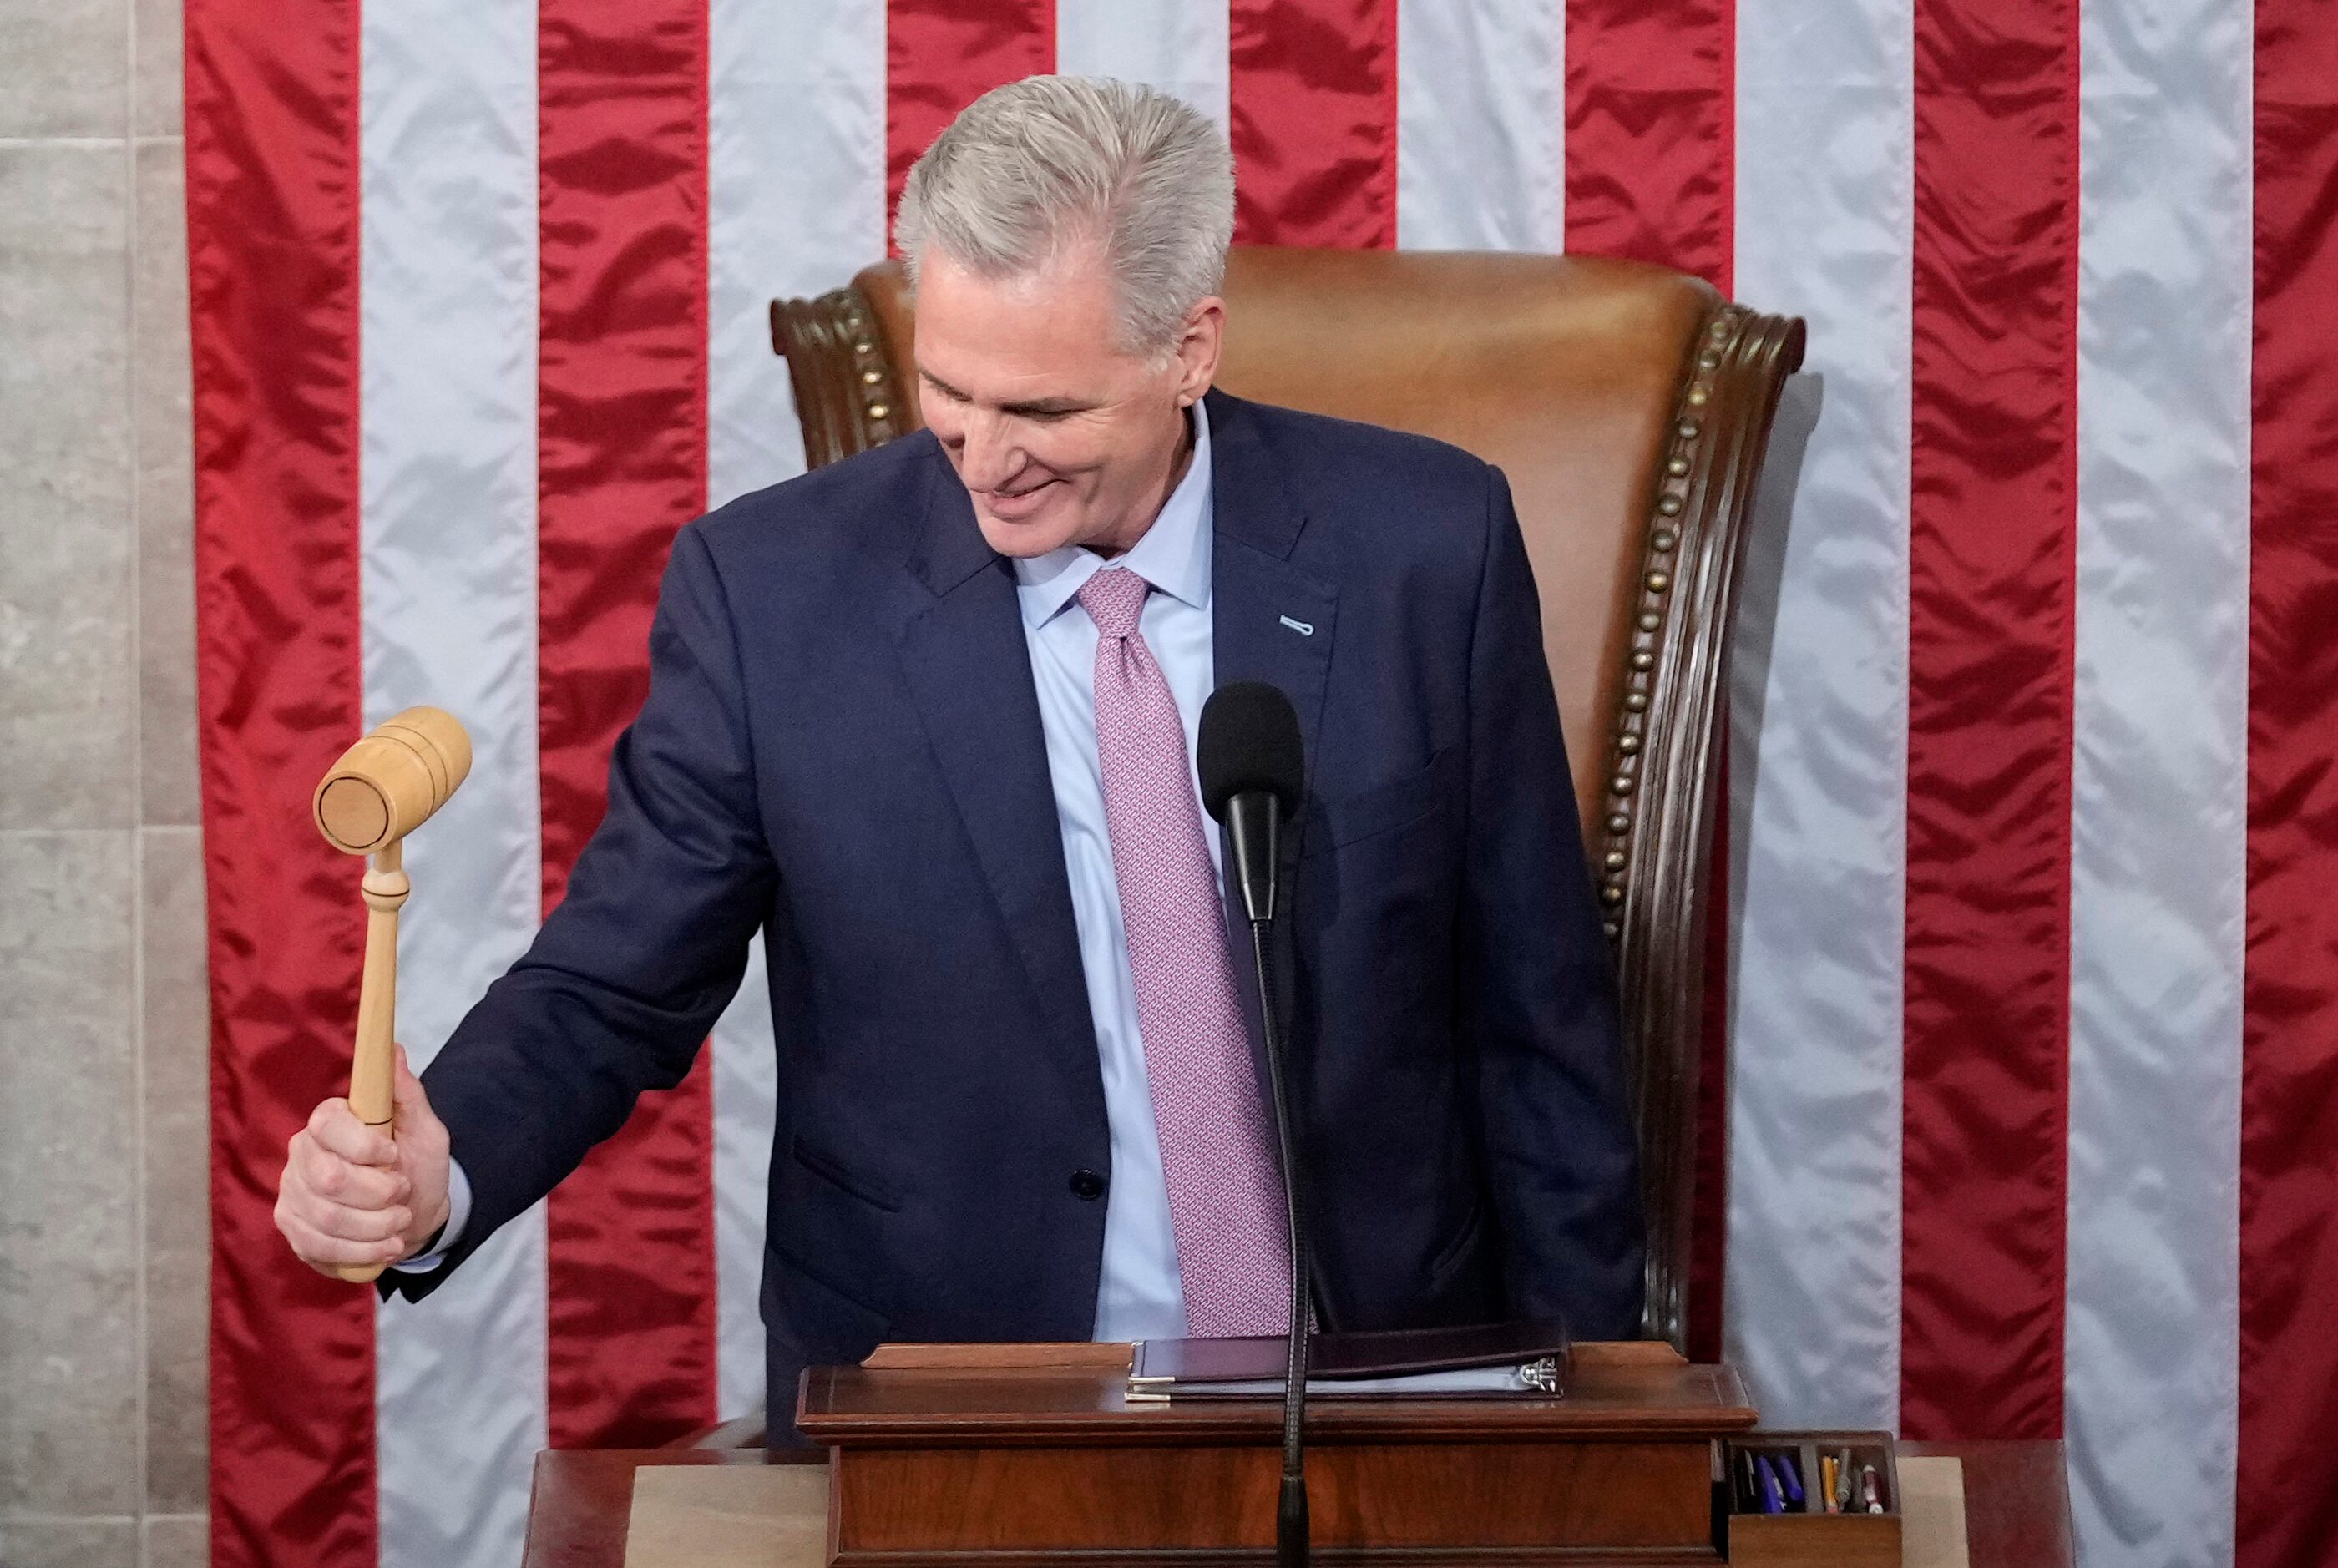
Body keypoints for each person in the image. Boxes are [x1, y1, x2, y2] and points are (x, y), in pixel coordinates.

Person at [273, 74, 1643, 1440]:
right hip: (949, 1406)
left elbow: (1540, 1027)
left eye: (1042, 410)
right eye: (947, 390)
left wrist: (1596, 1428)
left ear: (1187, 348)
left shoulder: (1423, 547)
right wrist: (440, 1161)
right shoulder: (773, 596)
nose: (984, 461)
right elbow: (614, 979)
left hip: (1375, 1387)